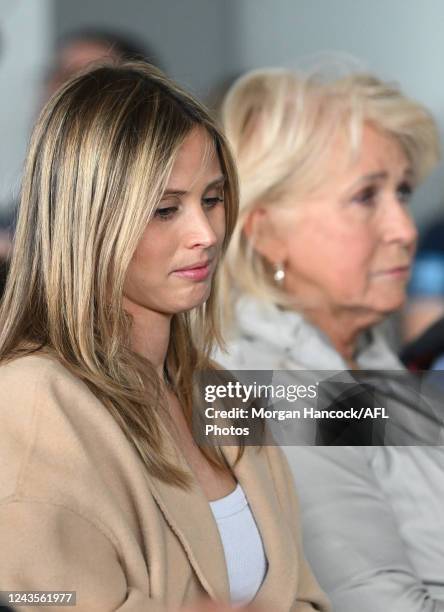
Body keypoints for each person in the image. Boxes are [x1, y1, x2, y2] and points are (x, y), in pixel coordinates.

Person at [0, 63, 329, 612]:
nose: (204, 235)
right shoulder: (31, 401)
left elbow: (307, 596)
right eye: (165, 209)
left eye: (213, 199)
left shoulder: (220, 390)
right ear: (88, 221)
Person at [215, 68, 444, 611]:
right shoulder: (252, 384)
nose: (405, 228)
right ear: (266, 231)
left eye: (403, 192)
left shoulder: (368, 350)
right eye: (366, 196)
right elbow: (375, 603)